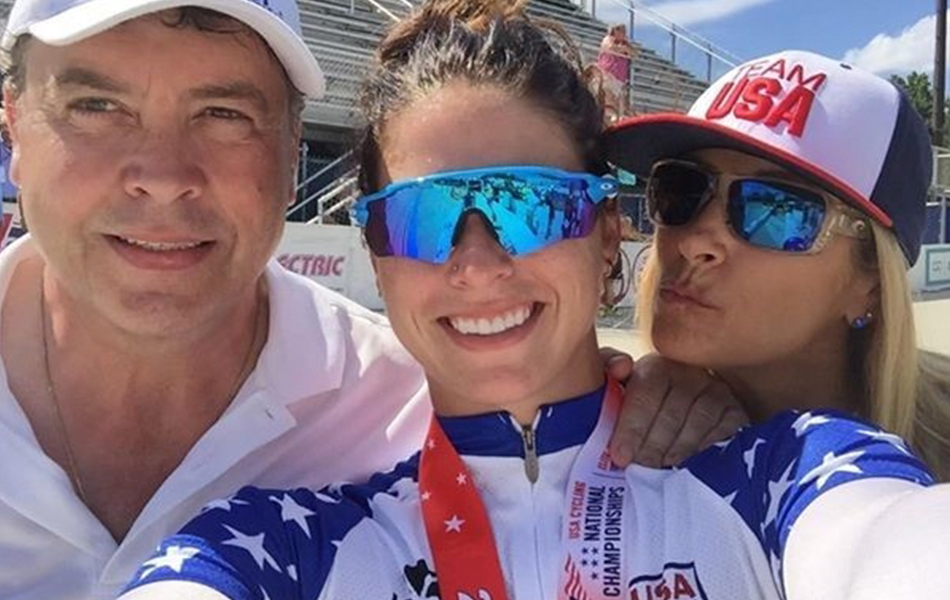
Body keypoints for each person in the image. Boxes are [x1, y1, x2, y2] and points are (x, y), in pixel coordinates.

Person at [119, 8, 950, 600]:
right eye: (425, 217)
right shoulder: (285, 541)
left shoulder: (788, 472)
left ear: (602, 231)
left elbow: (891, 543)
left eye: (528, 204)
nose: (477, 263)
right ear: (377, 252)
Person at [0, 0, 713, 596]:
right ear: (12, 130)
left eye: (222, 113)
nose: (161, 175)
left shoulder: (413, 401)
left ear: (289, 154)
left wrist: (709, 399)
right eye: (96, 105)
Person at [605, 49, 950, 482]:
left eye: (776, 210)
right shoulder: (612, 429)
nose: (694, 242)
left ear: (873, 285)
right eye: (681, 187)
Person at [596, 23, 636, 121]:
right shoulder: (608, 39)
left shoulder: (625, 43)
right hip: (607, 70)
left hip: (620, 75)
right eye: (621, 31)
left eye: (624, 31)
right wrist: (622, 49)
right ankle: (609, 114)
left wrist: (625, 48)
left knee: (618, 96)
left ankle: (617, 115)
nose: (623, 33)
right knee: (607, 92)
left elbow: (634, 53)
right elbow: (610, 47)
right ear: (615, 31)